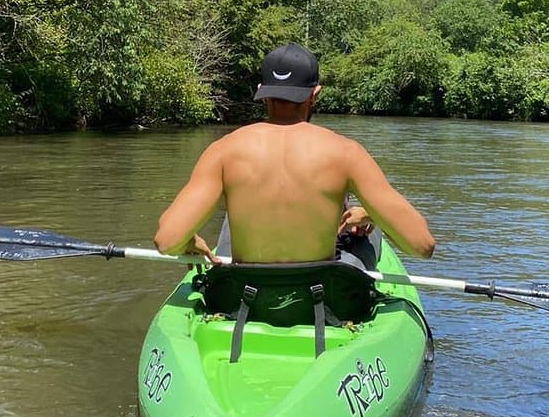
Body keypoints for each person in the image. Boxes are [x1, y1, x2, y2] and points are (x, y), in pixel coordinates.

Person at [154, 42, 435, 264]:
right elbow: (421, 245)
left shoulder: (223, 151)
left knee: (232, 219)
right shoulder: (346, 152)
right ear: (315, 94)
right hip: (319, 301)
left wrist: (189, 241)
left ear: (261, 92)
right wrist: (373, 215)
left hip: (246, 297)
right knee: (369, 233)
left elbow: (167, 240)